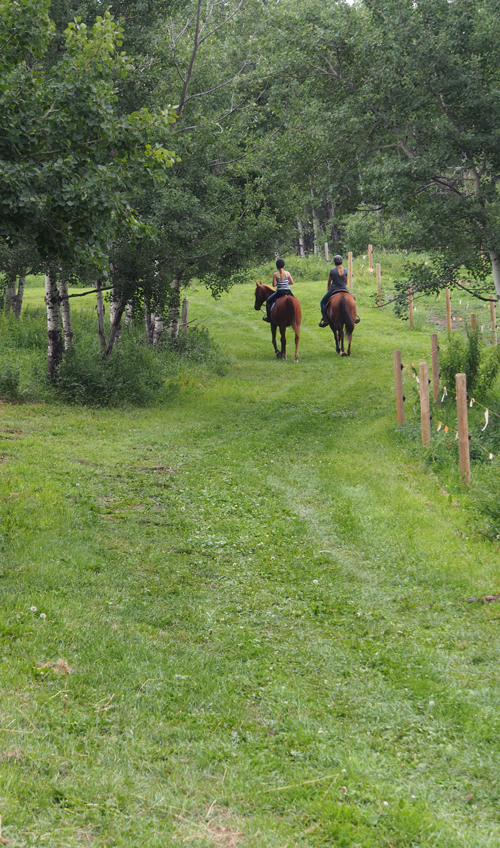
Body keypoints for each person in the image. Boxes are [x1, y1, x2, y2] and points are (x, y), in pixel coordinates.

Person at [319, 254, 360, 327]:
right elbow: (346, 281)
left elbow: (329, 282)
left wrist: (329, 287)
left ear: (334, 262)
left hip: (334, 289)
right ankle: (354, 316)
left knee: (322, 302)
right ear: (341, 262)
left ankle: (325, 319)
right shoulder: (345, 270)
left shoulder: (332, 270)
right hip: (344, 288)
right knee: (352, 299)